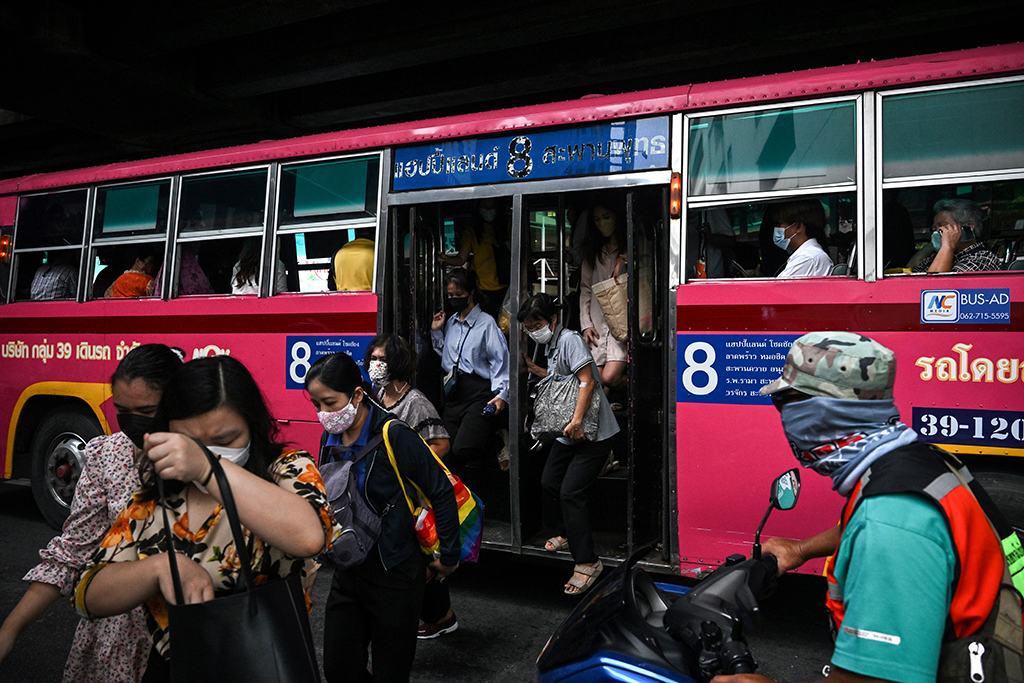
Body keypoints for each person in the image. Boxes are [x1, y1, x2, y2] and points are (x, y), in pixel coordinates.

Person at [715, 332, 1022, 683]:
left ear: (822, 410)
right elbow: (873, 526)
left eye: (785, 402)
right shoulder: (914, 462)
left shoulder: (890, 520)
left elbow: (879, 679)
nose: (783, 417)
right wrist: (799, 550)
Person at [73, 355, 338, 682]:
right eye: (189, 443)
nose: (203, 452)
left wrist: (208, 467)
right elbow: (88, 594)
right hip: (176, 669)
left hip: (267, 662)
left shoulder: (286, 469)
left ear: (252, 424)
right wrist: (158, 568)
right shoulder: (154, 496)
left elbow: (309, 536)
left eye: (225, 441)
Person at [0, 344, 183, 683]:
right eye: (121, 410)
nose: (132, 422)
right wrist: (11, 629)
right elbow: (73, 550)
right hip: (120, 635)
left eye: (146, 410)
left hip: (190, 635)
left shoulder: (209, 457)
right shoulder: (106, 455)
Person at [305, 352, 460, 682]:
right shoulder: (327, 437)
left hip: (395, 575)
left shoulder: (395, 434)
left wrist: (449, 555)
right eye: (316, 405)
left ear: (357, 395)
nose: (323, 414)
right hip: (349, 572)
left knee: (391, 672)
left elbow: (442, 492)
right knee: (339, 668)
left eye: (329, 403)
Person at [519, 293, 619, 595]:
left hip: (591, 431)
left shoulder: (570, 340)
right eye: (528, 326)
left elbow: (588, 381)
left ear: (553, 320)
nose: (534, 330)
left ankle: (588, 561)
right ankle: (566, 532)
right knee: (549, 482)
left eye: (538, 324)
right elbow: (562, 379)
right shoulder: (549, 345)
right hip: (568, 429)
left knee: (570, 491)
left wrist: (576, 422)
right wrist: (535, 371)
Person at [364, 334, 458, 640]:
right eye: (373, 359)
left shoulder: (415, 402)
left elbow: (441, 444)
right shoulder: (376, 396)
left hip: (413, 494)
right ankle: (438, 615)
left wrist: (410, 461)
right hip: (390, 494)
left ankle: (439, 616)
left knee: (421, 557)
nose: (376, 365)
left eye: (383, 360)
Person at [430, 268, 510, 471]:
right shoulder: (451, 322)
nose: (454, 299)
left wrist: (502, 395)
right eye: (450, 295)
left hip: (478, 391)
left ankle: (499, 442)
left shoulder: (486, 324)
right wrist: (436, 332)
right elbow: (446, 358)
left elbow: (500, 361)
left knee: (463, 448)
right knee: (447, 452)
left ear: (471, 292)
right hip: (455, 391)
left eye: (459, 294)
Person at [579, 200, 628, 395]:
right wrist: (586, 324)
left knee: (610, 378)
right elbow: (585, 289)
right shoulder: (593, 251)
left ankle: (642, 392)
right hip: (597, 324)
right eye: (597, 220)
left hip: (621, 323)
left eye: (606, 217)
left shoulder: (633, 245)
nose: (602, 224)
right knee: (598, 383)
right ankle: (601, 425)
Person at [437, 198, 510, 319]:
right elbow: (461, 259)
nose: (488, 210)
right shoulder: (472, 231)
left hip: (506, 287)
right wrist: (446, 259)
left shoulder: (509, 224)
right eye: (484, 207)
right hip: (482, 288)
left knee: (505, 325)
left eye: (491, 207)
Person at [908, 198, 1002, 273]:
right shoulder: (942, 255)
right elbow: (911, 268)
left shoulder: (982, 259)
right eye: (934, 229)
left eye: (942, 226)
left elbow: (934, 289)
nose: (937, 231)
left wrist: (947, 246)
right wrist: (937, 240)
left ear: (967, 227)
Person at [771, 199, 833, 278]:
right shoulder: (808, 255)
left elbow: (777, 287)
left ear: (798, 227)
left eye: (779, 225)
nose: (776, 229)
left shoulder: (808, 258)